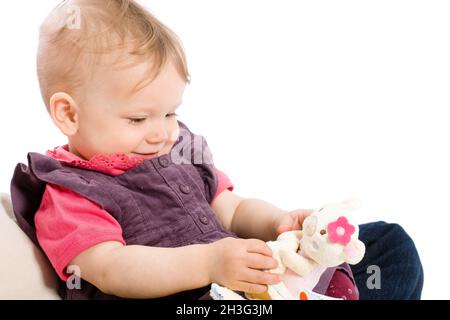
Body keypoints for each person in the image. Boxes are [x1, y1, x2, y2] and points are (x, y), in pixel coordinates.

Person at [10, 0, 422, 300]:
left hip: (249, 284)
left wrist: (278, 222)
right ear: (68, 114)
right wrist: (208, 264)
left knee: (389, 243)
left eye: (170, 112)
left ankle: (323, 290)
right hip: (196, 300)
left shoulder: (179, 149)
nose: (161, 133)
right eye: (138, 119)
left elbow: (232, 209)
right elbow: (111, 268)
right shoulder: (70, 193)